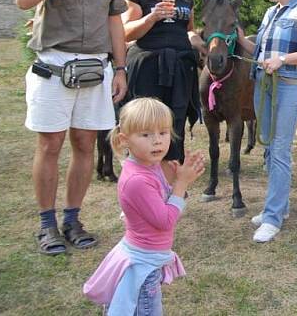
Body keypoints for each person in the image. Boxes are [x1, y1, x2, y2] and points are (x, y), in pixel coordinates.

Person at [15, 0, 128, 256]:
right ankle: (46, 224)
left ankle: (73, 219)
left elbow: (115, 23)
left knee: (85, 145)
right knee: (50, 145)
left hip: (95, 70)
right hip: (53, 68)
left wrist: (121, 68)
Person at [83, 97, 206, 314]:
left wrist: (176, 182)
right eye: (146, 134)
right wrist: (181, 183)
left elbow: (165, 202)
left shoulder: (151, 166)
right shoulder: (137, 180)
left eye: (163, 132)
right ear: (124, 140)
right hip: (142, 265)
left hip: (148, 259)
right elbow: (165, 220)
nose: (157, 141)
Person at [234, 0, 297, 243]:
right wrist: (238, 40)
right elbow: (260, 52)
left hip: (289, 86)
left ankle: (272, 218)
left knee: (281, 149)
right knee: (270, 147)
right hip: (265, 84)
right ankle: (278, 207)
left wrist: (282, 60)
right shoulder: (272, 13)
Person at [120, 0, 205, 163]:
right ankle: (143, 176)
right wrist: (151, 17)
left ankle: (170, 186)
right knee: (146, 122)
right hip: (148, 66)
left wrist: (201, 45)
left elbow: (188, 31)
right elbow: (124, 33)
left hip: (180, 68)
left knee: (174, 123)